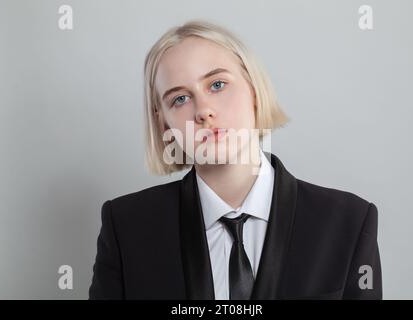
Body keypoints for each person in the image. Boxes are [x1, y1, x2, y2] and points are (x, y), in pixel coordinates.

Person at [89, 19, 382, 300]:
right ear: (164, 123)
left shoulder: (349, 222)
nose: (203, 111)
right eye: (180, 98)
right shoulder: (126, 228)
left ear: (254, 90)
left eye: (217, 85)